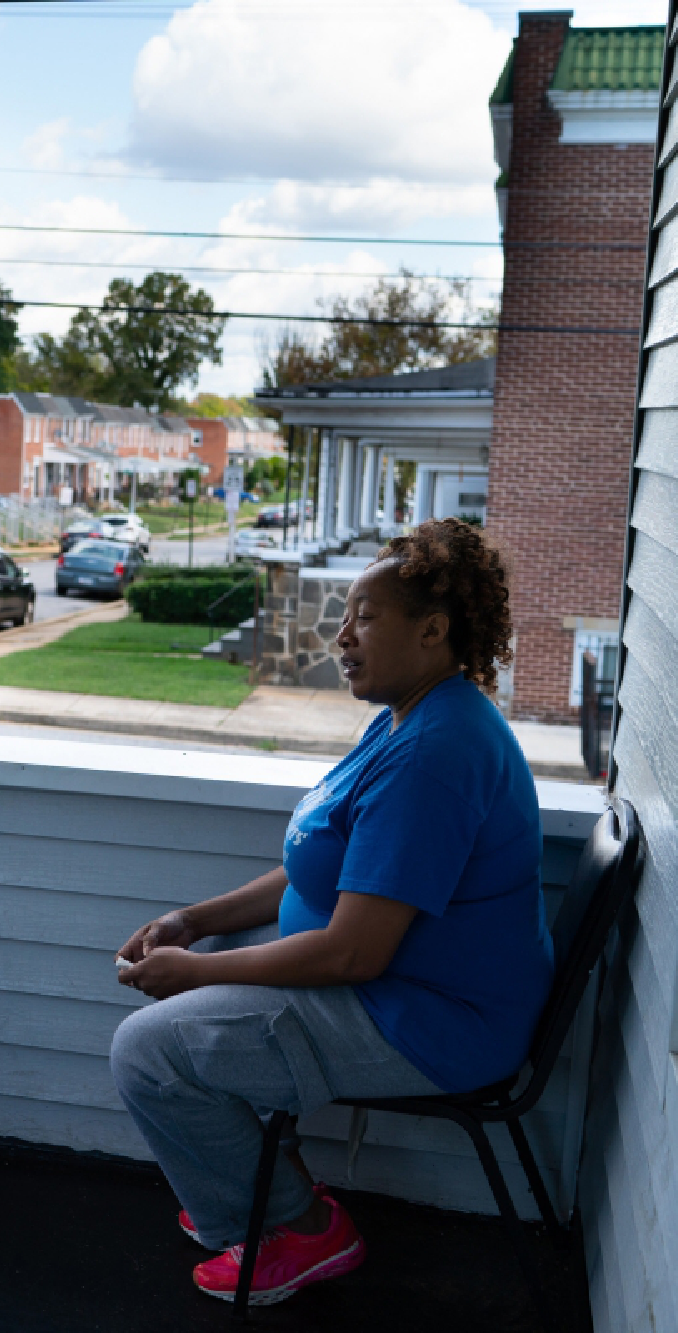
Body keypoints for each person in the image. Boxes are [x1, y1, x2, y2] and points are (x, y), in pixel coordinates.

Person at [108, 519, 546, 1305]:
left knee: (148, 1050)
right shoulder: (409, 715)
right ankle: (252, 1195)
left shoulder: (435, 754)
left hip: (430, 1021)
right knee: (167, 1037)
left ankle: (302, 1227)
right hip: (399, 995)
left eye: (364, 617)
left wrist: (193, 973)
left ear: (434, 629)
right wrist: (195, 919)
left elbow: (354, 953)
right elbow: (323, 861)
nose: (341, 635)